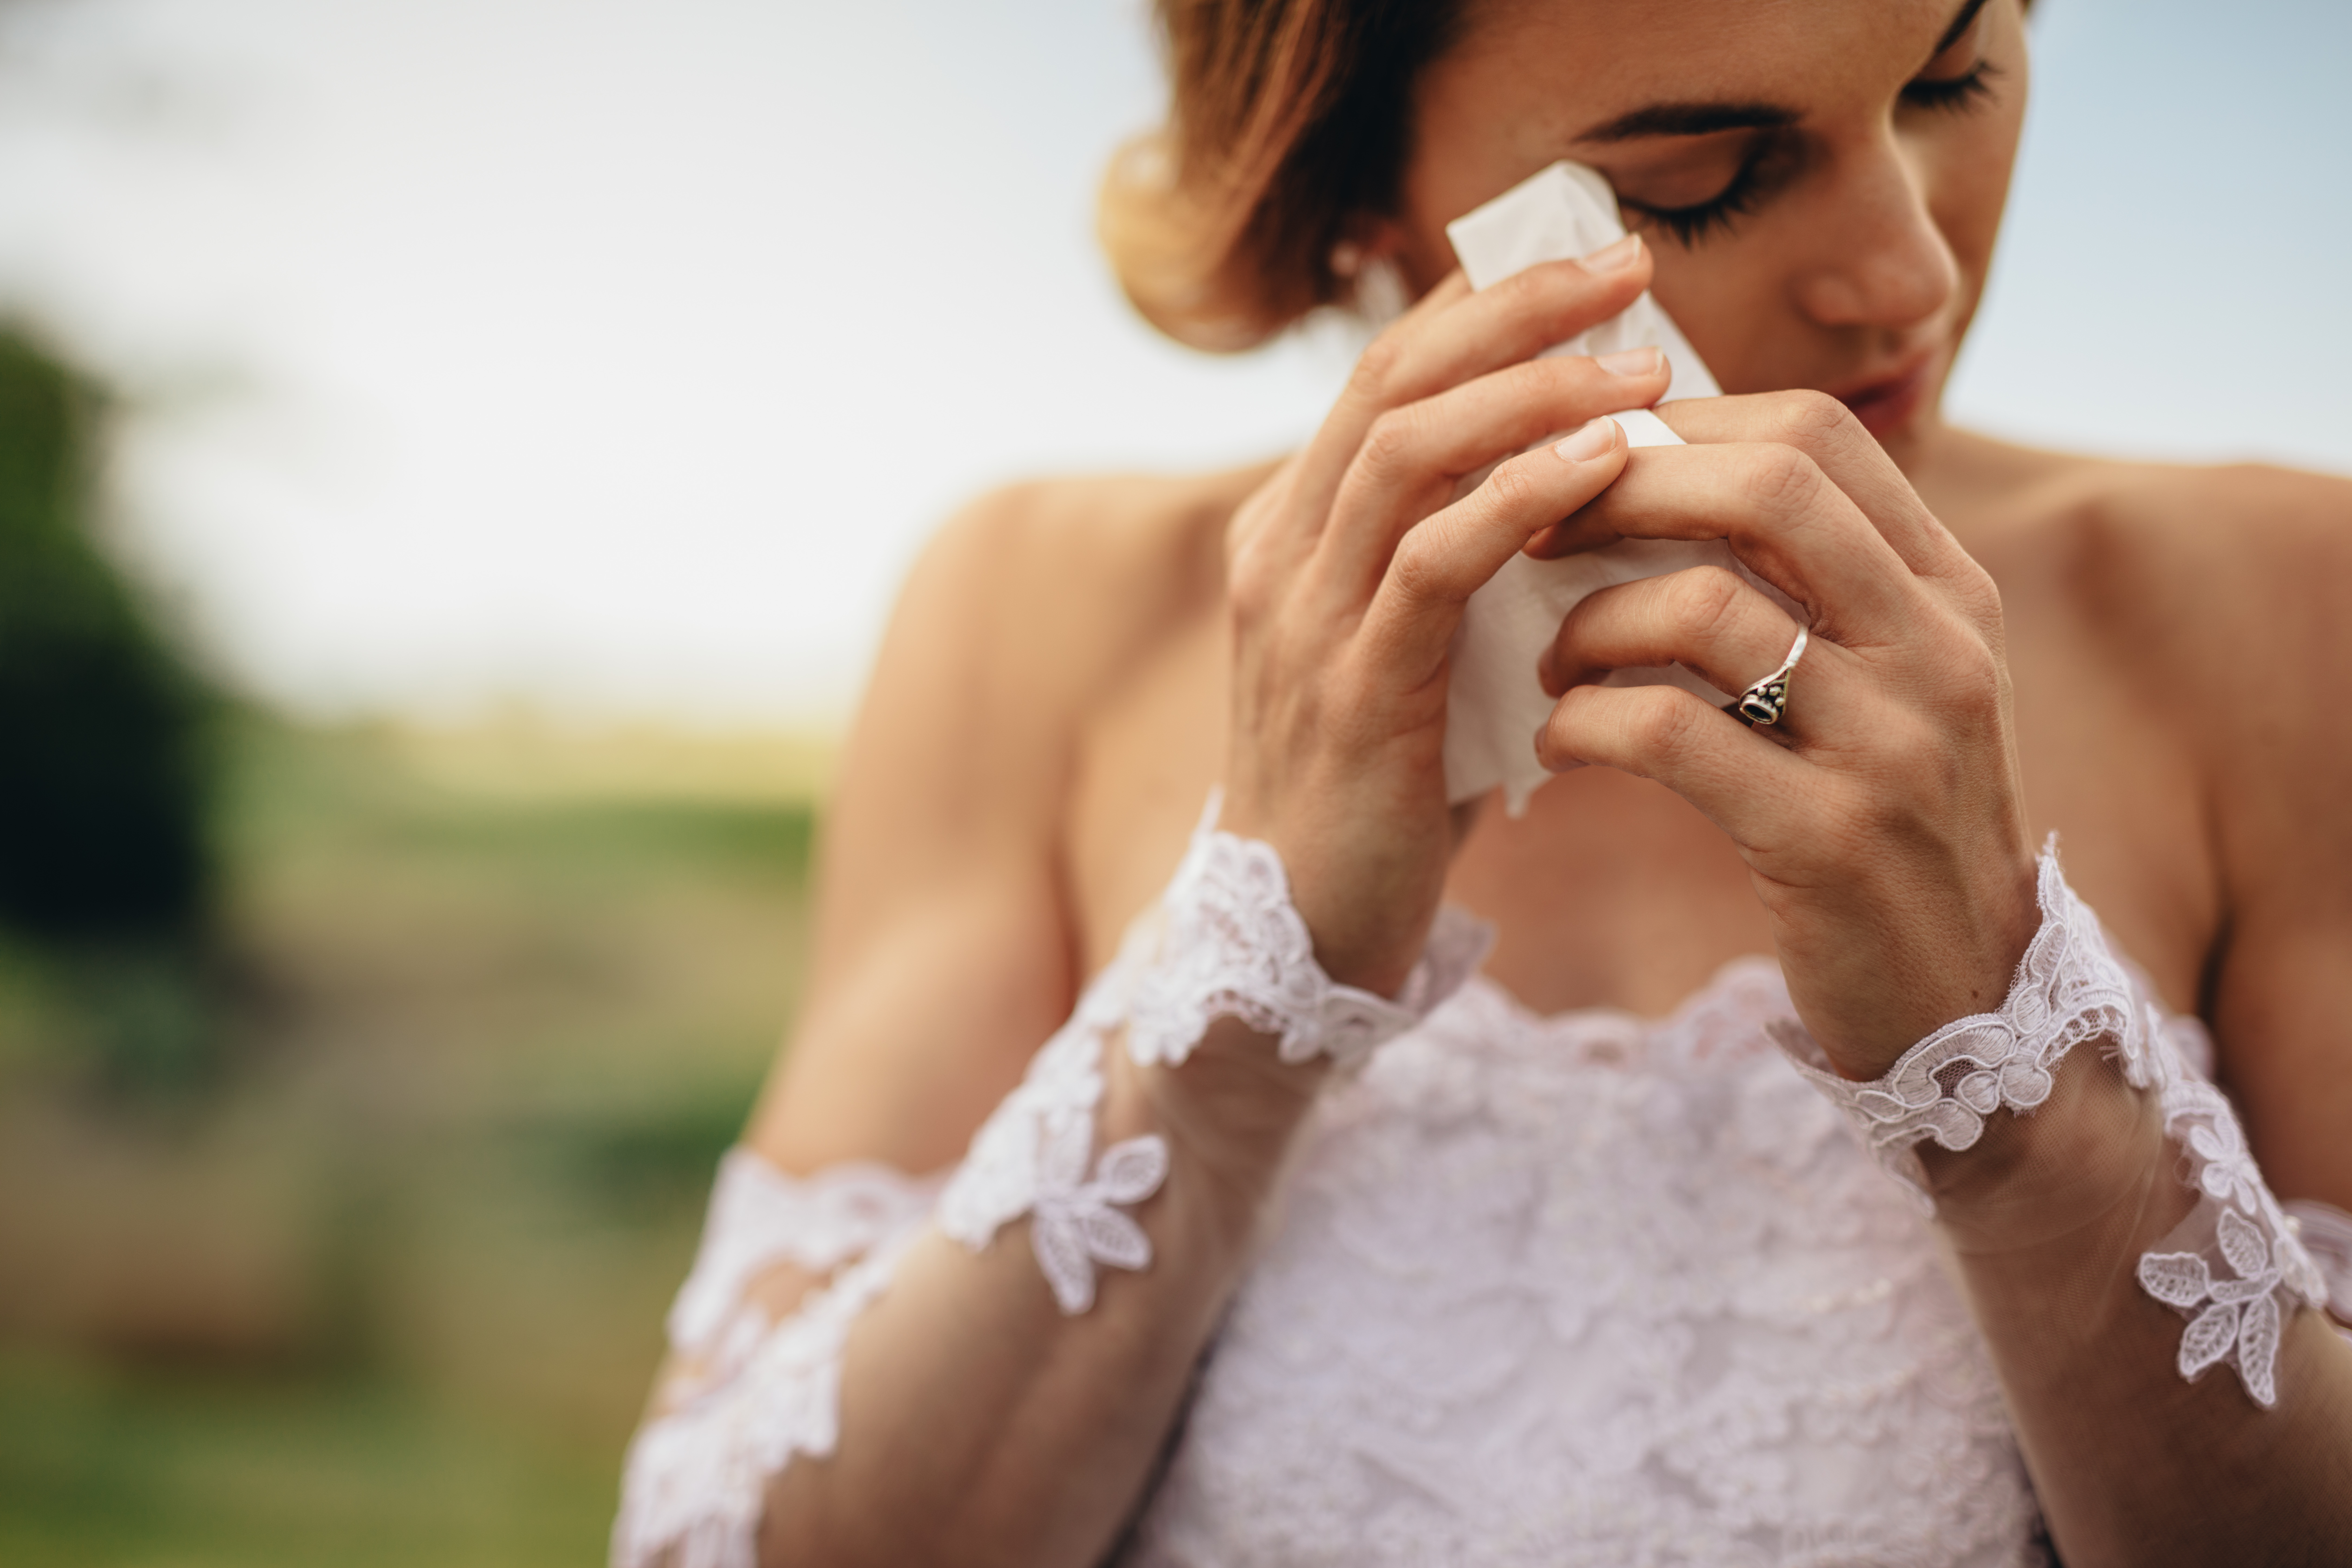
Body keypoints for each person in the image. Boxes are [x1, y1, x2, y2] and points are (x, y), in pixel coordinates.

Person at [613, 1, 2352, 1563]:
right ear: (1360, 198)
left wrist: (2001, 1045)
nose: (1909, 275)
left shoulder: (2280, 606)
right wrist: (1247, 987)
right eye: (1709, 177)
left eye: (1955, 69)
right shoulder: (1035, 610)